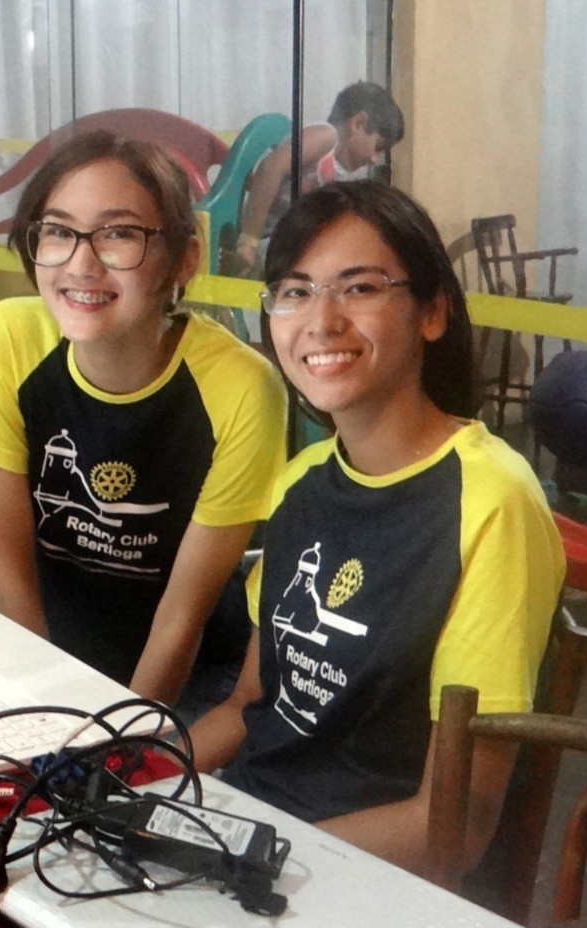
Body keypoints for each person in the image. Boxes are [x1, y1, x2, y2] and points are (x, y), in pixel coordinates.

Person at [188, 180, 565, 877]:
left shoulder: (493, 502)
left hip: (348, 876)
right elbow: (250, 701)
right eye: (295, 291)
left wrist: (250, 856)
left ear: (432, 312)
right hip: (246, 830)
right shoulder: (301, 481)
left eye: (359, 288)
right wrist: (134, 774)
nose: (321, 320)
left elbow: (454, 822)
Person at [0, 130, 287, 707]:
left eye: (118, 234)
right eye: (58, 231)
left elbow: (181, 618)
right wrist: (41, 719)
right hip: (41, 654)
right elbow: (8, 579)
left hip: (190, 675)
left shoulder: (242, 388)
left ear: (184, 259)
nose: (81, 264)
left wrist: (118, 742)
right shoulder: (8, 340)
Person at [227, 82, 405, 277]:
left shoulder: (343, 171)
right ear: (358, 123)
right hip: (268, 243)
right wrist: (248, 241)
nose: (374, 159)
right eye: (378, 147)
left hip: (293, 245)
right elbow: (271, 167)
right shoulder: (327, 136)